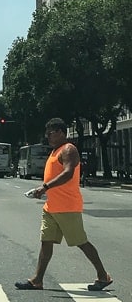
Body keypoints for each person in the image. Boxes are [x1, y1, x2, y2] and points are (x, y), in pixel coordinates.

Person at [15, 118, 112, 292]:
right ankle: (37, 280)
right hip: (51, 206)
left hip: (67, 207)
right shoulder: (54, 151)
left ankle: (103, 276)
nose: (48, 137)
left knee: (81, 242)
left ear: (60, 132)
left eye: (50, 133)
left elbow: (68, 173)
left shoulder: (68, 150)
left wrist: (45, 187)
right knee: (46, 241)